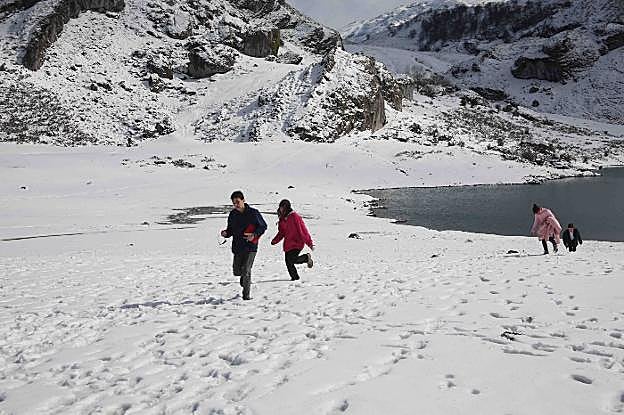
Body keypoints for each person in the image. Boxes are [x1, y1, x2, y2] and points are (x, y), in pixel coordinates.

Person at [221, 191, 267, 300]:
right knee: (237, 271)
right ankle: (244, 279)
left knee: (246, 270)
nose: (236, 205)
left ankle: (246, 296)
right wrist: (226, 233)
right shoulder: (233, 214)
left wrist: (254, 235)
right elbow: (230, 230)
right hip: (237, 247)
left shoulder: (253, 213)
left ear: (243, 200)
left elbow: (263, 226)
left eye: (237, 202)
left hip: (250, 246)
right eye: (234, 203)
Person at [271, 199, 314, 281]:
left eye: (283, 207)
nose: (281, 209)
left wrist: (309, 243)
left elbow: (303, 230)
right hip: (288, 244)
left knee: (292, 260)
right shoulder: (282, 219)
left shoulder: (294, 216)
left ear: (287, 207)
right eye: (280, 207)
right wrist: (275, 240)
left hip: (297, 243)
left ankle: (306, 258)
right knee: (288, 262)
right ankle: (295, 278)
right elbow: (281, 232)